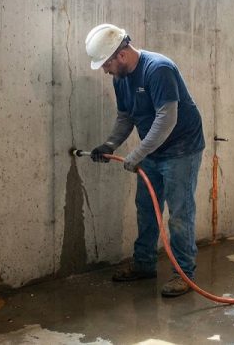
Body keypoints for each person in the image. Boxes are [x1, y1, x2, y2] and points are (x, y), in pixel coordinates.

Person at [84, 24, 205, 297]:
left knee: (179, 214)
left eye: (106, 64)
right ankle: (144, 264)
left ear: (121, 55)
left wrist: (137, 154)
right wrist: (110, 144)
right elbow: (126, 116)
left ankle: (184, 274)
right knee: (146, 208)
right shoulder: (121, 78)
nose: (105, 70)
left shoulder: (158, 69)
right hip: (153, 150)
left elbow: (166, 120)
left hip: (181, 149)